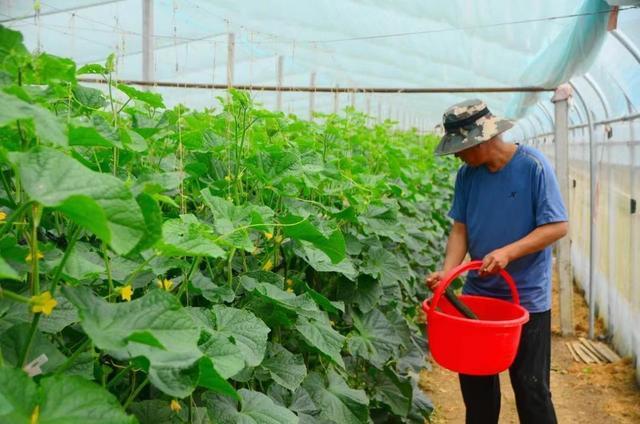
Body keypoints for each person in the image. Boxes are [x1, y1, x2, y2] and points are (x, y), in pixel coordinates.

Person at [426, 99, 568, 424]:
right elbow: (460, 228)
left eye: (461, 148)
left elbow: (557, 226)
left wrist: (508, 252)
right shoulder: (468, 176)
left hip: (527, 301)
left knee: (532, 390)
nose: (458, 155)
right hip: (478, 301)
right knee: (477, 396)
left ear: (483, 139)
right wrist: (448, 274)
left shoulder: (533, 166)